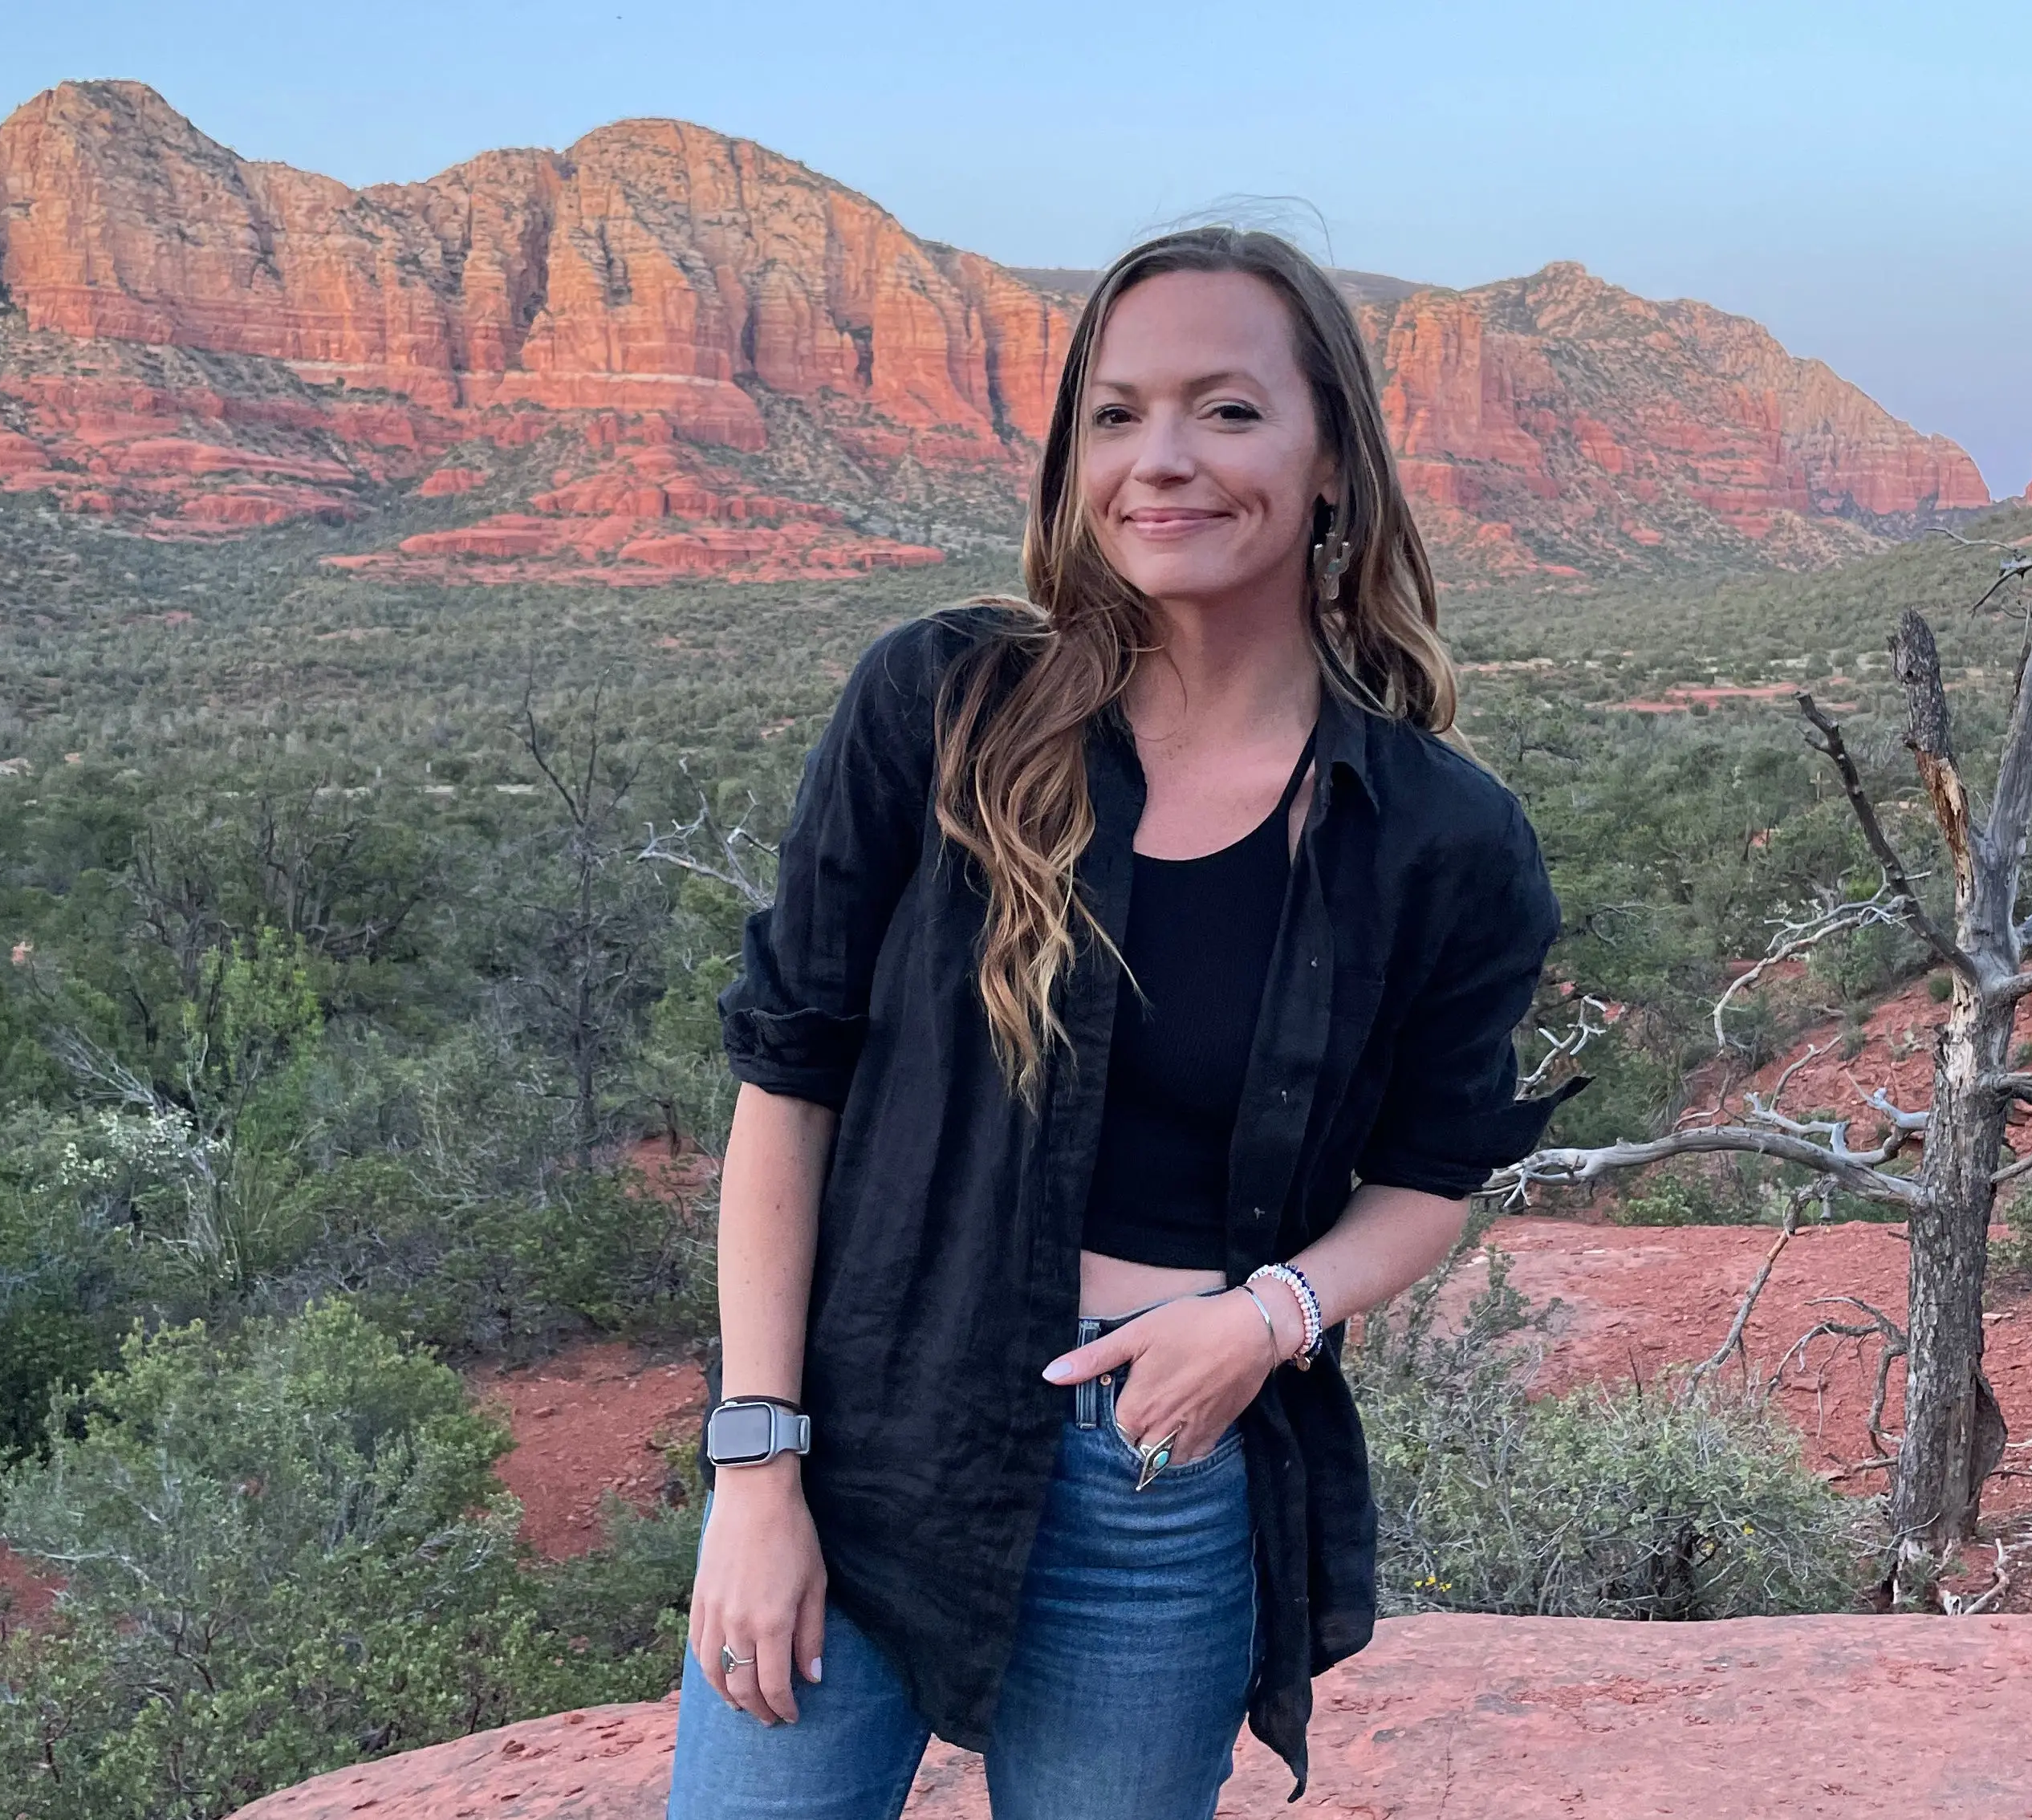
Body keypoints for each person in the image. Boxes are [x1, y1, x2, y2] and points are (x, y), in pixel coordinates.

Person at [665, 225, 1574, 1820]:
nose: (1162, 460)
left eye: (1227, 411)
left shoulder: (1437, 835)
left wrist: (1271, 1316)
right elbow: (786, 1084)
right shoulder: (936, 708)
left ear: (1331, 459)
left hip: (1162, 1460)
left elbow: (1436, 1170)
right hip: (865, 1429)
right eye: (1115, 412)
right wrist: (756, 1472)